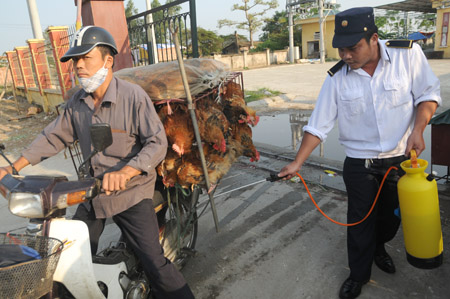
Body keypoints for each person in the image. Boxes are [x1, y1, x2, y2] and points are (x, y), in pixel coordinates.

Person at [0, 26, 194, 299]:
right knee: (67, 256)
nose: (78, 65)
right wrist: (13, 167)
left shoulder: (132, 96)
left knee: (154, 262)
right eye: (74, 60)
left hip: (131, 192)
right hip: (94, 192)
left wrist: (127, 170)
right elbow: (53, 137)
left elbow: (157, 142)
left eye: (85, 58)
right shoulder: (78, 102)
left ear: (108, 60)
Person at [278, 7, 441, 299]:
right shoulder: (337, 77)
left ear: (373, 38)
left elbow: (428, 95)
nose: (346, 56)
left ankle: (380, 247)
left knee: (391, 220)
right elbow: (318, 125)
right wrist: (297, 163)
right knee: (359, 222)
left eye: (353, 48)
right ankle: (358, 274)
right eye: (341, 49)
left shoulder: (407, 55)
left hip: (400, 161)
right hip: (359, 164)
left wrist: (418, 129)